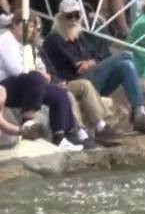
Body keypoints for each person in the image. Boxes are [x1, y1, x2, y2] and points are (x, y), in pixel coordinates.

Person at [42, 0, 145, 134]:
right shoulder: (54, 39)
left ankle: (139, 113)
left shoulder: (78, 36)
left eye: (77, 15)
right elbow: (77, 66)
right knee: (126, 55)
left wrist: (91, 62)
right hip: (77, 82)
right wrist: (90, 62)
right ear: (60, 18)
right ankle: (136, 113)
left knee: (126, 65)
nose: (74, 20)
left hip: (92, 80)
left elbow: (97, 56)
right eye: (69, 16)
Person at [0, 14, 86, 150]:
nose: (29, 29)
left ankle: (61, 137)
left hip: (27, 85)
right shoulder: (5, 40)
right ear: (15, 24)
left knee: (59, 93)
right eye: (26, 25)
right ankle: (28, 123)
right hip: (5, 86)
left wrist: (43, 74)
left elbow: (38, 66)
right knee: (34, 77)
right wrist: (38, 73)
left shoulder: (26, 45)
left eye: (32, 27)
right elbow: (16, 70)